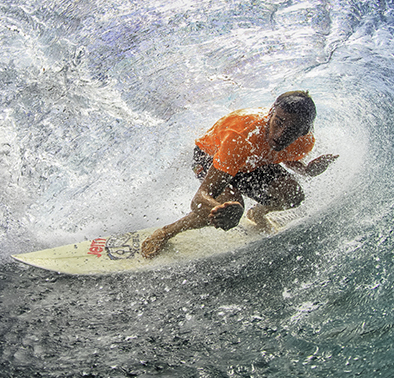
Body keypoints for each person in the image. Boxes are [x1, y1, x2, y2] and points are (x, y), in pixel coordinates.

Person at [141, 91, 339, 259]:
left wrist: (306, 170)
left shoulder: (304, 141)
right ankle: (166, 232)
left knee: (293, 195)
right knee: (229, 209)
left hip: (251, 164)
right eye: (278, 122)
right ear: (271, 113)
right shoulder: (242, 135)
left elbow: (284, 155)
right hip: (209, 157)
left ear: (304, 131)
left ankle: (258, 213)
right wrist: (220, 209)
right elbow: (199, 199)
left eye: (292, 130)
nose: (280, 135)